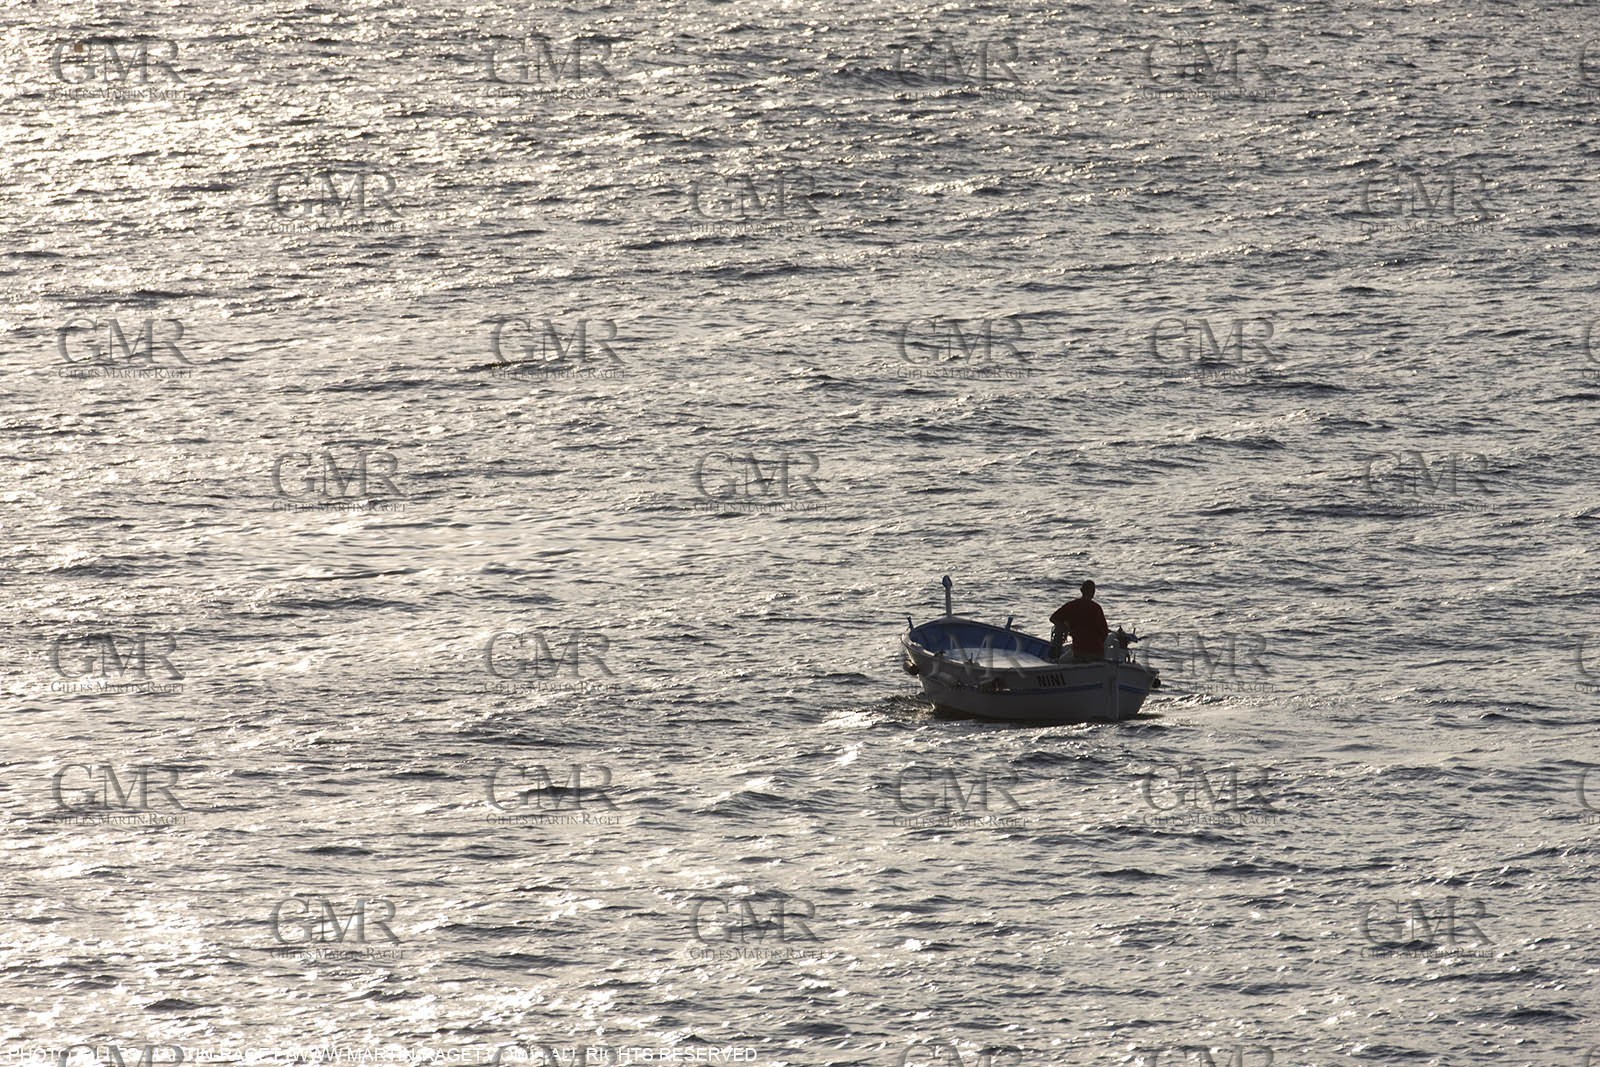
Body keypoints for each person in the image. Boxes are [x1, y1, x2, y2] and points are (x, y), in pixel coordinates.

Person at [1050, 580, 1110, 662]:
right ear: (1093, 592)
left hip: (1079, 651)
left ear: (1081, 591)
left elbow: (1053, 618)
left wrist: (1066, 628)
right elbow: (1104, 632)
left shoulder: (1071, 606)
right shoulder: (1096, 608)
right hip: (1096, 651)